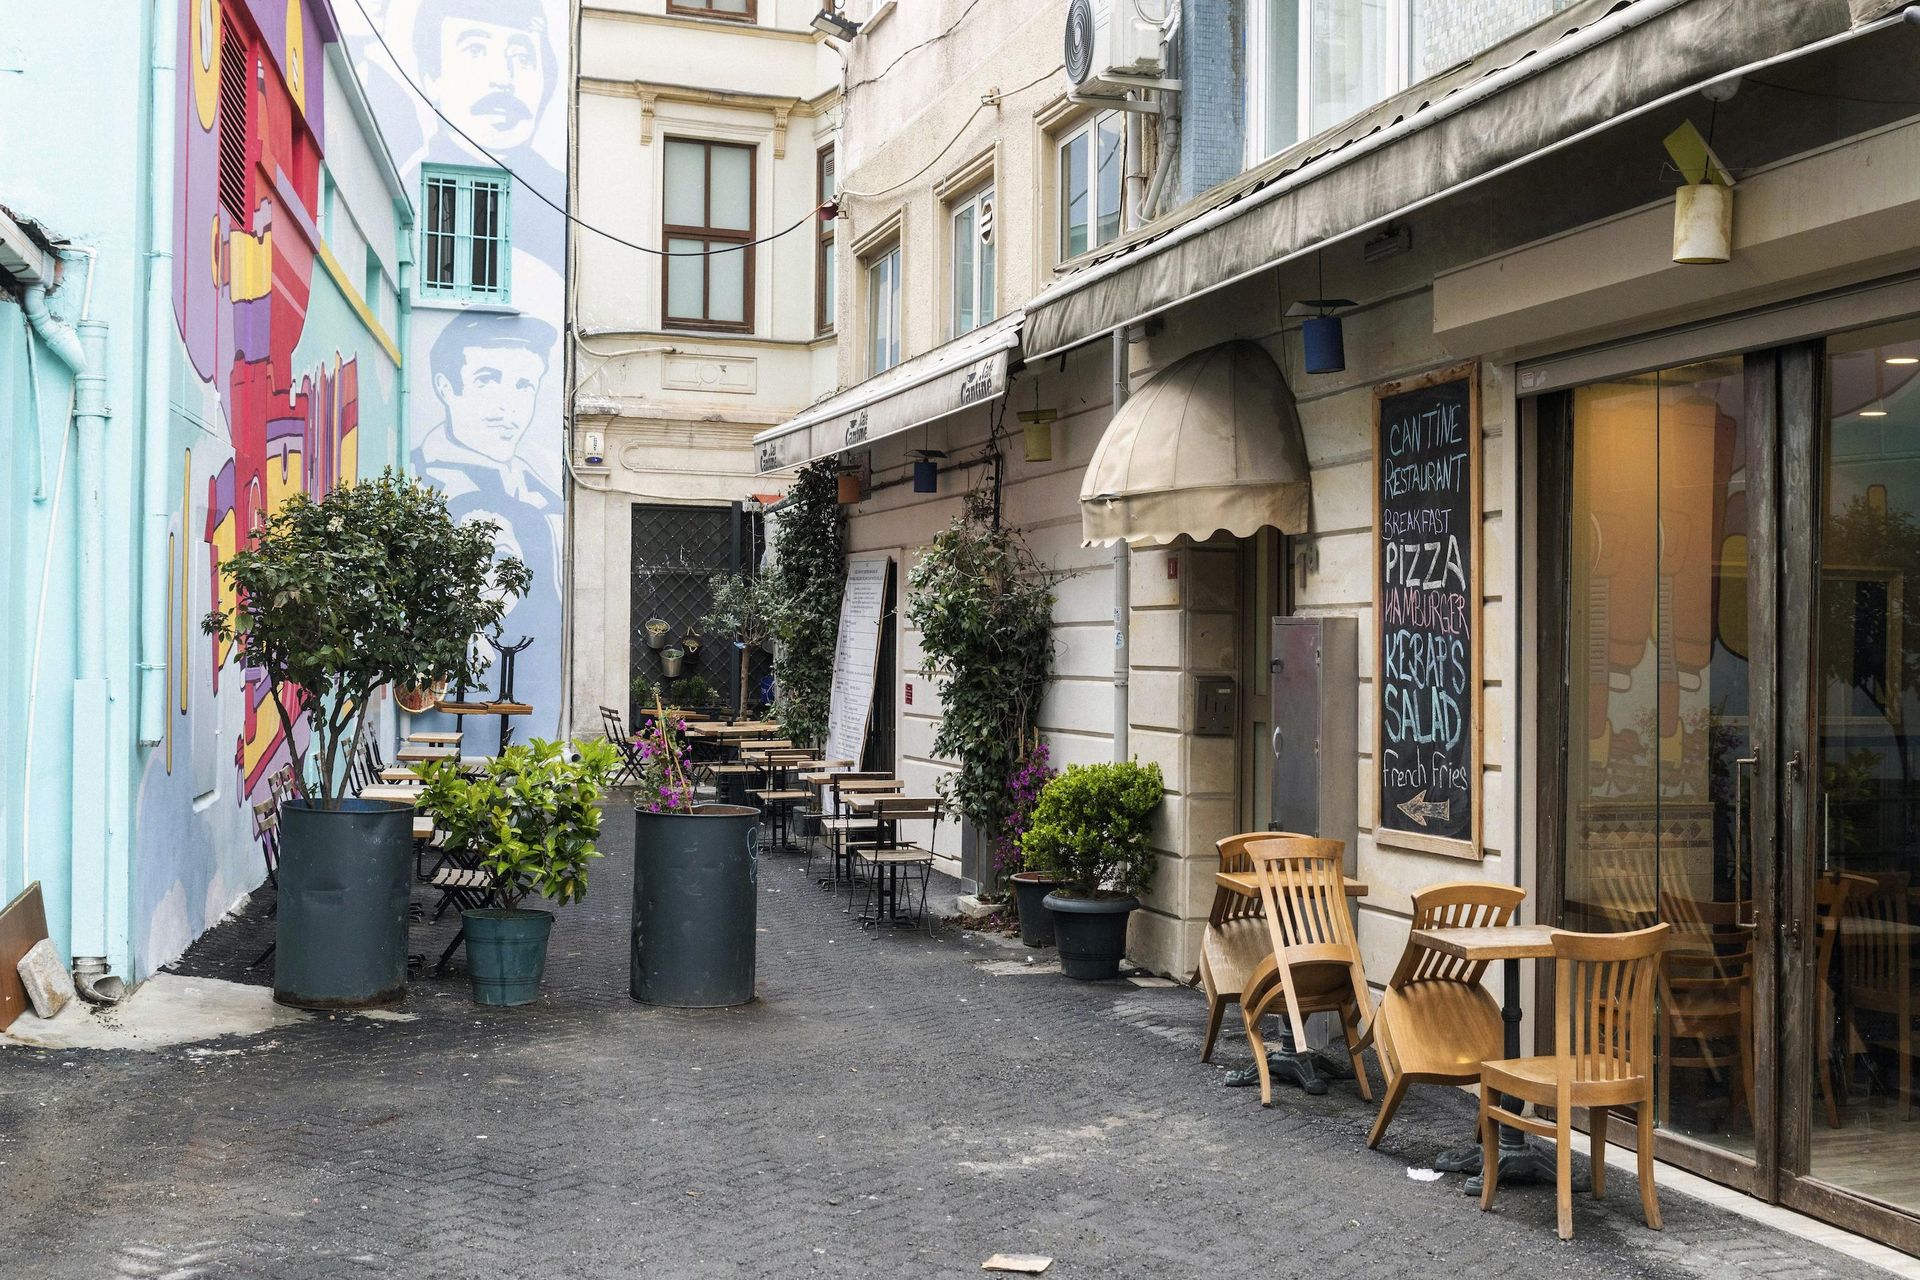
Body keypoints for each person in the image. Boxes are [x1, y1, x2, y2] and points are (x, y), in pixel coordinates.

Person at [415, 314, 561, 700]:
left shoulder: (543, 494)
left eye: (524, 385)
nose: (508, 406)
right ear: (446, 387)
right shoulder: (424, 487)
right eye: (487, 379)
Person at [410, 0, 562, 200]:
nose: (503, 79)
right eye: (476, 51)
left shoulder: (559, 197)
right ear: (432, 79)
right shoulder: (407, 189)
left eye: (522, 58)